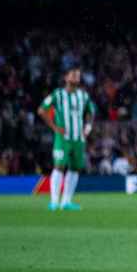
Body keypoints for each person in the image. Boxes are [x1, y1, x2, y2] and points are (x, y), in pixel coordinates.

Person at [38, 66, 95, 212]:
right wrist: (54, 127)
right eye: (73, 74)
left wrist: (87, 128)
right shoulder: (58, 95)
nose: (76, 77)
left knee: (75, 168)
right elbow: (41, 110)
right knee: (59, 166)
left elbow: (90, 111)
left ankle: (66, 202)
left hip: (78, 139)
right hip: (63, 138)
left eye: (78, 75)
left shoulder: (83, 95)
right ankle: (54, 202)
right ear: (66, 77)